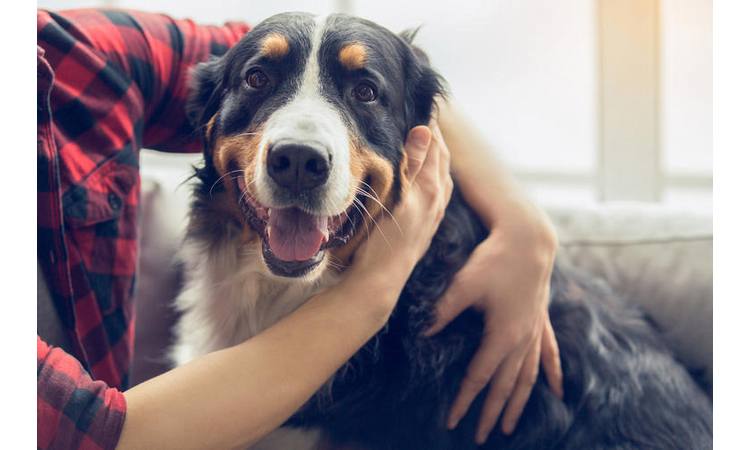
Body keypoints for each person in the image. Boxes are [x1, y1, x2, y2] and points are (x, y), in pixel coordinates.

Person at [37, 8, 561, 450]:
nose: (299, 147)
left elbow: (343, 53)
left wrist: (525, 226)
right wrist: (375, 287)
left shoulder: (68, 51)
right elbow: (110, 435)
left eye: (365, 91)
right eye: (260, 81)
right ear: (208, 123)